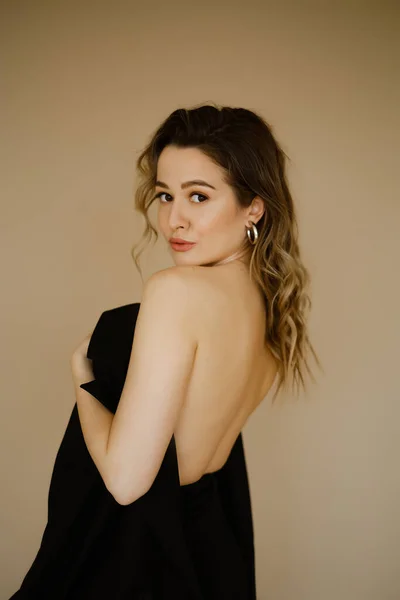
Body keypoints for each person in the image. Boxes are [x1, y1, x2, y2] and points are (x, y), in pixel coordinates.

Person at [10, 103, 320, 599]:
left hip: (134, 561)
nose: (173, 219)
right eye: (164, 195)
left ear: (253, 207)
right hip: (208, 553)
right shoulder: (269, 313)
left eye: (198, 196)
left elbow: (127, 482)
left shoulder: (176, 292)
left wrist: (83, 377)